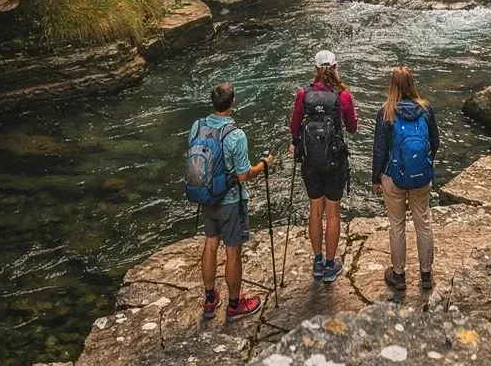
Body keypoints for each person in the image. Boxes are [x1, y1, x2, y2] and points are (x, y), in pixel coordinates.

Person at [188, 82, 274, 322]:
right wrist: (264, 164)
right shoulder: (235, 135)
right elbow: (243, 175)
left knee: (211, 244)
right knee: (233, 251)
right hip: (230, 201)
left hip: (205, 197)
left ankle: (209, 299)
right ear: (232, 103)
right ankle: (235, 305)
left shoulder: (197, 126)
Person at [289, 49, 358, 283]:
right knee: (333, 213)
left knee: (315, 211)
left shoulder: (303, 94)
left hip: (310, 161)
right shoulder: (343, 96)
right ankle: (330, 265)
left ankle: (317, 261)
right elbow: (351, 128)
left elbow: (294, 126)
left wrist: (295, 144)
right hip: (334, 160)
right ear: (336, 68)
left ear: (315, 69)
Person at [370, 65, 440, 293]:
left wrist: (376, 178)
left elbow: (379, 150)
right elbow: (435, 141)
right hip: (421, 177)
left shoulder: (386, 111)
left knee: (397, 226)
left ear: (392, 86)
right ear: (412, 84)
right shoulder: (426, 108)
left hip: (393, 176)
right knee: (424, 223)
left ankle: (399, 275)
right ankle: (426, 274)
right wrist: (425, 163)